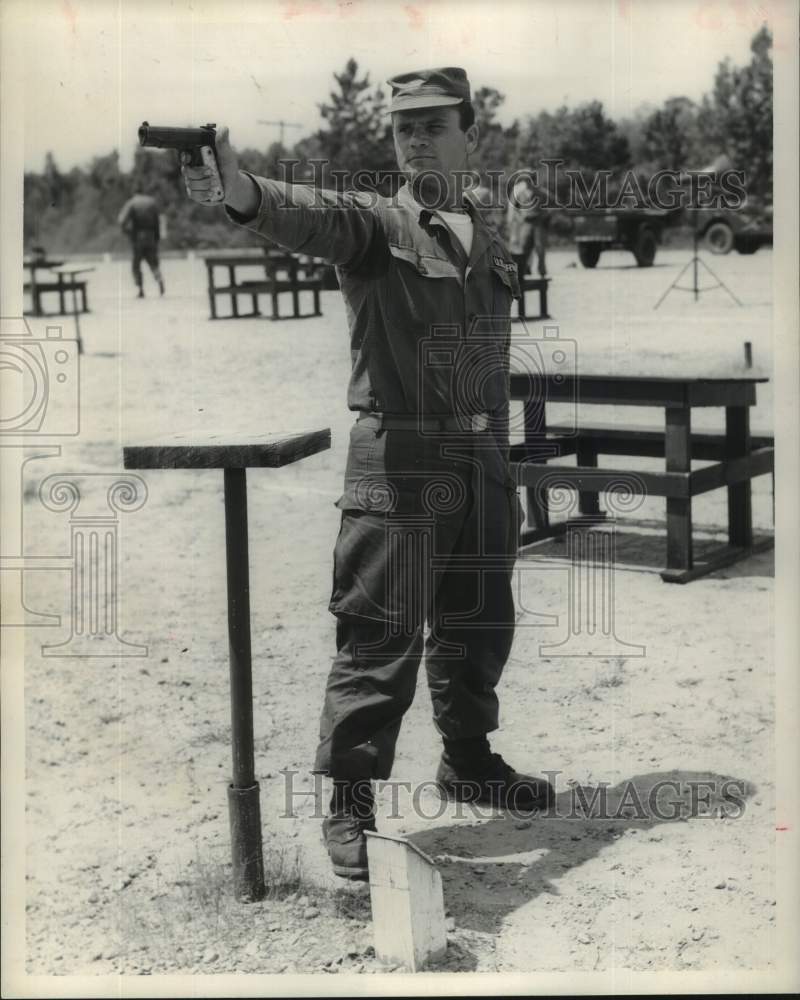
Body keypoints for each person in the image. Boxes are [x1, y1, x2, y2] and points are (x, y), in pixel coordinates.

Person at [181, 66, 555, 881]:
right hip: (403, 459)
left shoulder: (486, 232)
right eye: (402, 128)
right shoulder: (375, 225)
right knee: (378, 638)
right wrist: (235, 185)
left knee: (480, 623)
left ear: (469, 133)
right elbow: (297, 214)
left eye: (431, 124)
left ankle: (469, 761)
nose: (414, 138)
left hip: (483, 456)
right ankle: (350, 804)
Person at [117, 191, 165, 298]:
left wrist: (126, 232)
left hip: (137, 238)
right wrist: (156, 237)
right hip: (151, 236)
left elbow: (121, 220)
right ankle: (159, 279)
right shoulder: (152, 202)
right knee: (153, 263)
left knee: (136, 265)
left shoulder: (132, 203)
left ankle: (140, 289)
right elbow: (158, 221)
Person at [506, 173, 549, 281]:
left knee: (540, 248)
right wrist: (518, 218)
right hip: (525, 223)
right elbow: (513, 208)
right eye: (526, 180)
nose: (528, 182)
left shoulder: (540, 192)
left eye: (530, 180)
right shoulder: (519, 192)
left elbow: (546, 207)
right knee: (523, 248)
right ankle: (522, 271)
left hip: (538, 222)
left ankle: (542, 271)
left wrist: (543, 216)